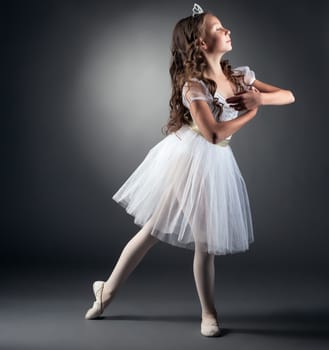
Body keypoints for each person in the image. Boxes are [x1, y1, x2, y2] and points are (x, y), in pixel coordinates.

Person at [84, 3, 295, 337]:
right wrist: (252, 113)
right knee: (204, 241)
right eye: (217, 28)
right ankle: (208, 314)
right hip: (190, 156)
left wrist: (260, 99)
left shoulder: (238, 77)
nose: (226, 31)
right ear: (200, 43)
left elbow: (288, 96)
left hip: (215, 161)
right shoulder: (194, 86)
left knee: (153, 230)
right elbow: (212, 134)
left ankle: (106, 292)